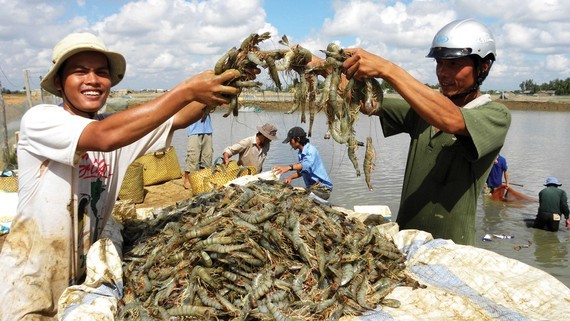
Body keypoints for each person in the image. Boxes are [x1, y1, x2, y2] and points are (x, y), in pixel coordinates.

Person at [0, 32, 241, 320]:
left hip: (82, 280)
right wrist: (187, 89)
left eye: (101, 73)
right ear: (58, 83)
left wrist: (221, 86)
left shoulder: (118, 130)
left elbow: (177, 118)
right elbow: (103, 137)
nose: (92, 79)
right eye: (80, 72)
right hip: (30, 282)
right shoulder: (41, 120)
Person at [340, 19, 511, 245]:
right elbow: (364, 103)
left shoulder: (496, 115)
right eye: (440, 64)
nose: (443, 73)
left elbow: (451, 119)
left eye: (453, 65)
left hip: (453, 250)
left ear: (483, 66)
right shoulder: (422, 110)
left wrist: (387, 69)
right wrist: (324, 67)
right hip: (404, 242)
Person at [272, 126, 333, 200]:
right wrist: (290, 177)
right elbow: (302, 171)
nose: (290, 144)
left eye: (290, 141)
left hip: (323, 190)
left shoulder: (311, 150)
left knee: (298, 198)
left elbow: (305, 165)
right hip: (312, 189)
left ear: (298, 139)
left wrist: (288, 167)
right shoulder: (301, 153)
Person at [183, 113, 213, 189]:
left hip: (207, 130)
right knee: (193, 156)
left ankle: (203, 179)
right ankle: (187, 180)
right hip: (194, 131)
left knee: (207, 156)